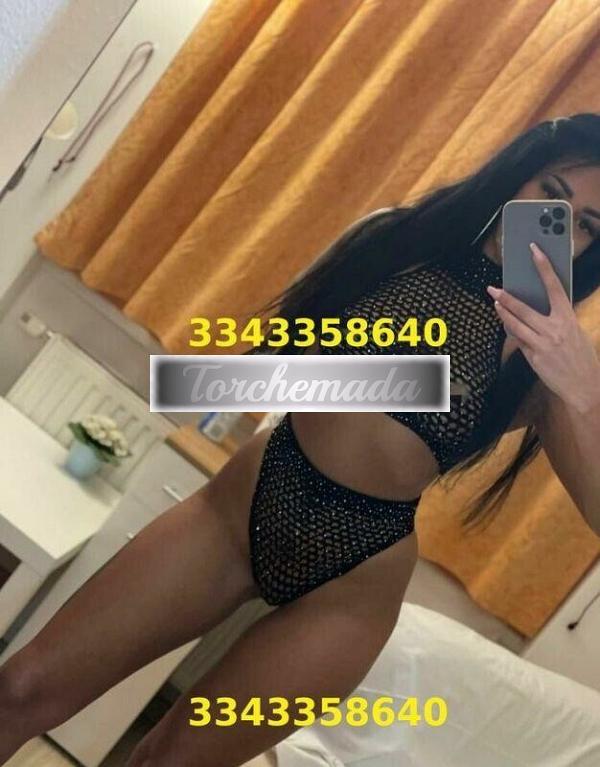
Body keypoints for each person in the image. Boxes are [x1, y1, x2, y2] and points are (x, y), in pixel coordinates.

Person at [1, 114, 600, 767]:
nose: (559, 228)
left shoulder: (548, 364)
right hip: (241, 508)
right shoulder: (401, 239)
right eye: (552, 195)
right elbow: (276, 361)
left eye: (587, 226)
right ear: (517, 177)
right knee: (21, 689)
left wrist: (583, 388)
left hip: (350, 585)